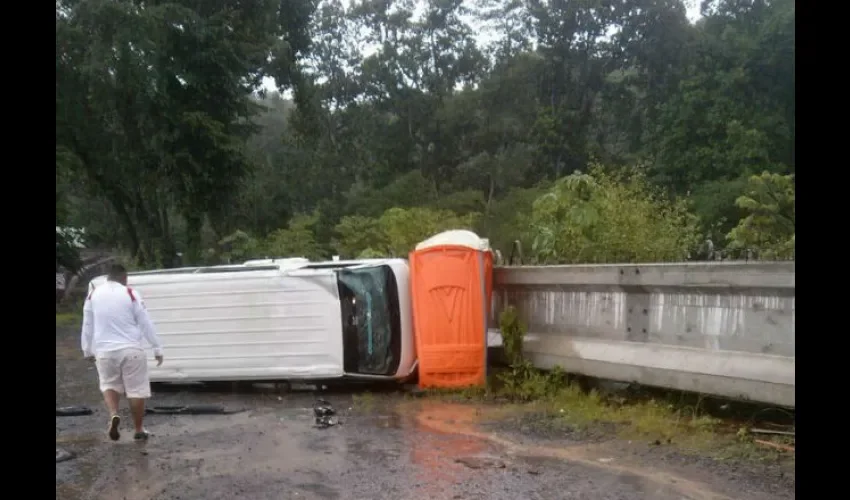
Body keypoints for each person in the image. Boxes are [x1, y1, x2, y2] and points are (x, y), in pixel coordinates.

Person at [81, 264, 164, 441]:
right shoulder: (130, 293)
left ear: (108, 277)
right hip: (131, 349)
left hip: (104, 351)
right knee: (136, 391)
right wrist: (157, 348)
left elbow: (87, 324)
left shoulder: (93, 295)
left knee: (109, 385)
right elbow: (145, 322)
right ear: (124, 278)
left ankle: (113, 415)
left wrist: (87, 349)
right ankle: (139, 429)